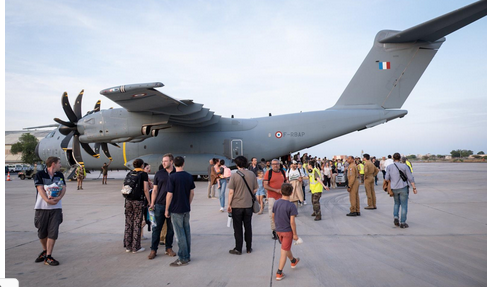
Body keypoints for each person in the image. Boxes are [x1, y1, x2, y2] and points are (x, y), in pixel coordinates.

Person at [33, 156, 66, 266]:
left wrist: (59, 198)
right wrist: (47, 200)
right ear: (53, 164)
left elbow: (64, 188)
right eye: (59, 163)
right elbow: (40, 189)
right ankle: (45, 250)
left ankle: (48, 256)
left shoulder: (60, 175)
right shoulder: (40, 174)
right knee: (42, 233)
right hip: (42, 208)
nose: (60, 165)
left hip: (56, 208)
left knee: (53, 232)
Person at [165, 156, 195, 267]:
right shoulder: (188, 176)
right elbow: (192, 193)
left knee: (179, 233)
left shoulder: (172, 177)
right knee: (187, 231)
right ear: (183, 163)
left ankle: (182, 257)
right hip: (186, 208)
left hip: (176, 209)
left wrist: (167, 208)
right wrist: (188, 203)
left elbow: (169, 194)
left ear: (174, 164)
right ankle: (187, 255)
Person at [227, 156, 258, 255]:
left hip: (237, 205)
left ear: (237, 164)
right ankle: (249, 248)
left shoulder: (234, 176)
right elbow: (255, 189)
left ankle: (238, 248)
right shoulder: (252, 174)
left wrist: (229, 204)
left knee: (237, 228)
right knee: (248, 226)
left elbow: (231, 192)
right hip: (248, 205)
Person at [148, 154, 176, 260]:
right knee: (156, 228)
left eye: (166, 161)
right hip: (160, 205)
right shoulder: (159, 174)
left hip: (173, 206)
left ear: (171, 161)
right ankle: (153, 250)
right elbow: (155, 190)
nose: (163, 163)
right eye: (162, 161)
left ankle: (168, 248)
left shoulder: (176, 173)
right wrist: (152, 203)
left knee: (171, 229)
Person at [273, 183, 300, 281]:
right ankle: (279, 272)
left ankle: (293, 261)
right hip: (287, 231)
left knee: (285, 247)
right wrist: (295, 234)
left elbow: (273, 216)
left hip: (279, 230)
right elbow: (292, 222)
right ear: (291, 193)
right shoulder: (291, 206)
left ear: (280, 191)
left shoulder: (276, 203)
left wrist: (276, 227)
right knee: (283, 252)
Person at [124, 159, 150, 254]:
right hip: (138, 201)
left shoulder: (130, 173)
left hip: (128, 201)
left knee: (128, 223)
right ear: (142, 165)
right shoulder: (143, 174)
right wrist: (149, 201)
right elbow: (146, 189)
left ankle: (128, 246)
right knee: (137, 223)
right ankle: (136, 247)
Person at [385, 153, 417, 228]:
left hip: (394, 188)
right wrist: (414, 187)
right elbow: (410, 178)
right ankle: (403, 222)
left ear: (393, 158)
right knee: (404, 205)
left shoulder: (389, 167)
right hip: (403, 187)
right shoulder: (404, 166)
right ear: (400, 158)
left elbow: (386, 178)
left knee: (396, 203)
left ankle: (396, 217)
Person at [263, 159, 287, 240]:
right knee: (272, 214)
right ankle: (274, 230)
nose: (275, 165)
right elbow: (265, 186)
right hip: (272, 197)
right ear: (271, 165)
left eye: (277, 164)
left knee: (282, 214)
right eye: (273, 164)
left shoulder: (282, 172)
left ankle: (281, 230)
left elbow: (286, 182)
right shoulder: (268, 173)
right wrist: (276, 190)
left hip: (282, 197)